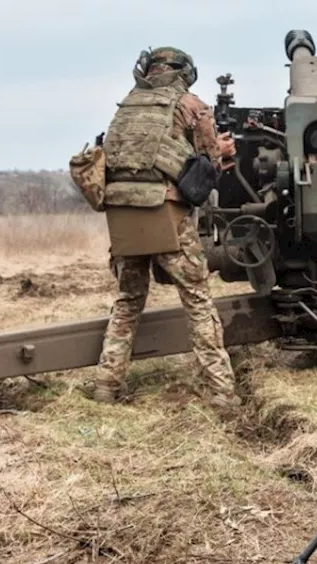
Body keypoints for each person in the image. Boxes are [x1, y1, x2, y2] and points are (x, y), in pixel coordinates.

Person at [87, 46, 239, 409]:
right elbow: (209, 163)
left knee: (127, 302)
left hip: (122, 215)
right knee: (198, 302)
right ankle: (222, 394)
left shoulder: (127, 105)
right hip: (165, 212)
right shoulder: (191, 105)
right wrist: (222, 150)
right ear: (184, 71)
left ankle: (106, 387)